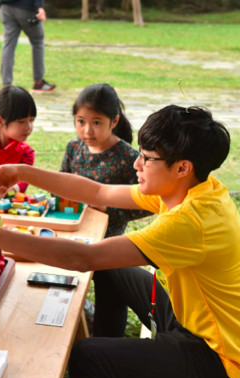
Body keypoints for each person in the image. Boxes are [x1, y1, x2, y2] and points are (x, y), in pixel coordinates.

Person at [0, 105, 240, 378]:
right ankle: (117, 351)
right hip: (193, 317)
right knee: (113, 272)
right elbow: (99, 192)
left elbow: (84, 259)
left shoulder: (191, 222)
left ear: (182, 167)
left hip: (224, 357)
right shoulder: (195, 186)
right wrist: (23, 171)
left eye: (146, 158)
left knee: (87, 355)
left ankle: (111, 358)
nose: (137, 164)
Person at [61, 83, 152, 333]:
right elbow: (60, 182)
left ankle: (107, 338)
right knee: (64, 282)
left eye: (97, 122)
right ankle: (69, 324)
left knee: (109, 289)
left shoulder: (127, 157)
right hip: (72, 231)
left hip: (109, 240)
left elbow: (146, 203)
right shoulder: (74, 148)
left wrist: (110, 208)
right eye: (81, 121)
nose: (87, 130)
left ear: (114, 121)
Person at [0, 0, 55, 91]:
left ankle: (6, 85)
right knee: (38, 42)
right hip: (26, 7)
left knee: (8, 45)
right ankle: (38, 82)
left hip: (5, 6)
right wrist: (39, 6)